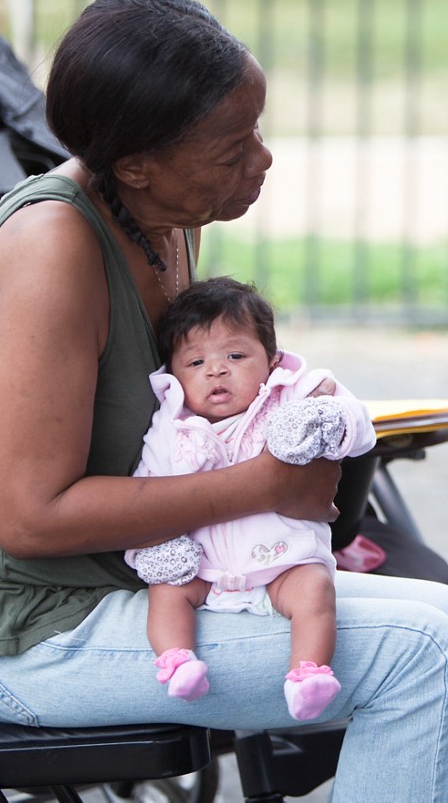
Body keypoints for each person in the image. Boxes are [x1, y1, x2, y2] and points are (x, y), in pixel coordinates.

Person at [0, 0, 448, 802]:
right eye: (233, 143)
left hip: (129, 587)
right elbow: (27, 519)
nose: (263, 159)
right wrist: (268, 484)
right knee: (419, 651)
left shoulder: (164, 216)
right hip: (18, 636)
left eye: (257, 130)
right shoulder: (53, 252)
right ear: (135, 162)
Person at [125, 277, 375, 721]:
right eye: (196, 361)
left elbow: (358, 426)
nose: (216, 370)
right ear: (174, 373)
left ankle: (308, 673)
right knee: (166, 591)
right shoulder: (171, 426)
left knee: (315, 590)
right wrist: (152, 547)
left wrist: (323, 416)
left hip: (282, 562)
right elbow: (148, 485)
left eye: (235, 356)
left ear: (272, 360)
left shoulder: (293, 396)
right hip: (203, 567)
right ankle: (178, 662)